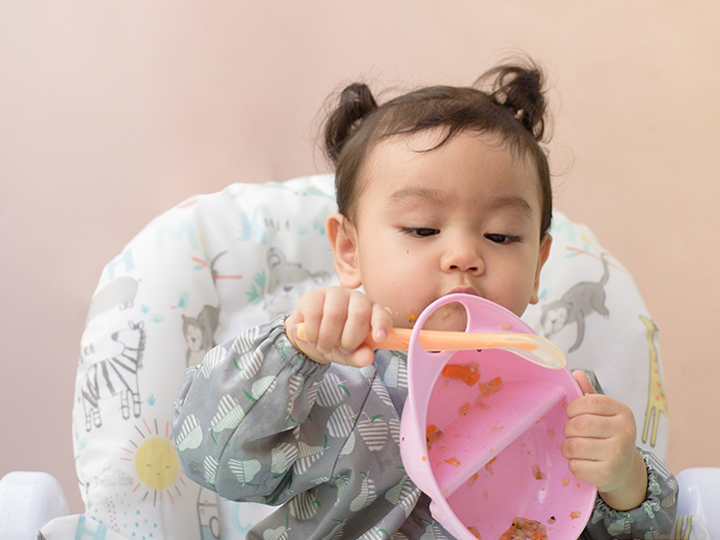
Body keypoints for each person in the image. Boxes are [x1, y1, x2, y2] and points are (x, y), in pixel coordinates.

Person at [171, 60, 676, 539]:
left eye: (501, 236)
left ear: (539, 265)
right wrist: (293, 352)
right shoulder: (334, 384)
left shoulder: (552, 399)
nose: (463, 255)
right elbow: (207, 456)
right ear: (350, 250)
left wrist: (624, 479)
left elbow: (643, 530)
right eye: (422, 228)